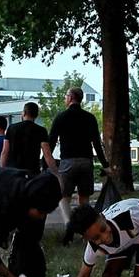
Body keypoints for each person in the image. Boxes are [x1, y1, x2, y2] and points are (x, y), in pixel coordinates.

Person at [45, 87, 108, 221]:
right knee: (84, 198)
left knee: (64, 197)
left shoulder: (61, 117)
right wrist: (105, 164)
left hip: (68, 161)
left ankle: (69, 226)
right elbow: (96, 143)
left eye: (66, 95)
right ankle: (86, 228)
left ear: (70, 98)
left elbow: (51, 141)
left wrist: (44, 161)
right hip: (86, 161)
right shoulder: (90, 118)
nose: (64, 98)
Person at [1, 102, 48, 174]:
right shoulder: (41, 131)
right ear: (36, 115)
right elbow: (47, 153)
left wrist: (2, 171)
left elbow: (5, 152)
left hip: (13, 171)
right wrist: (56, 172)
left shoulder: (12, 128)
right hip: (32, 172)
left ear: (24, 113)